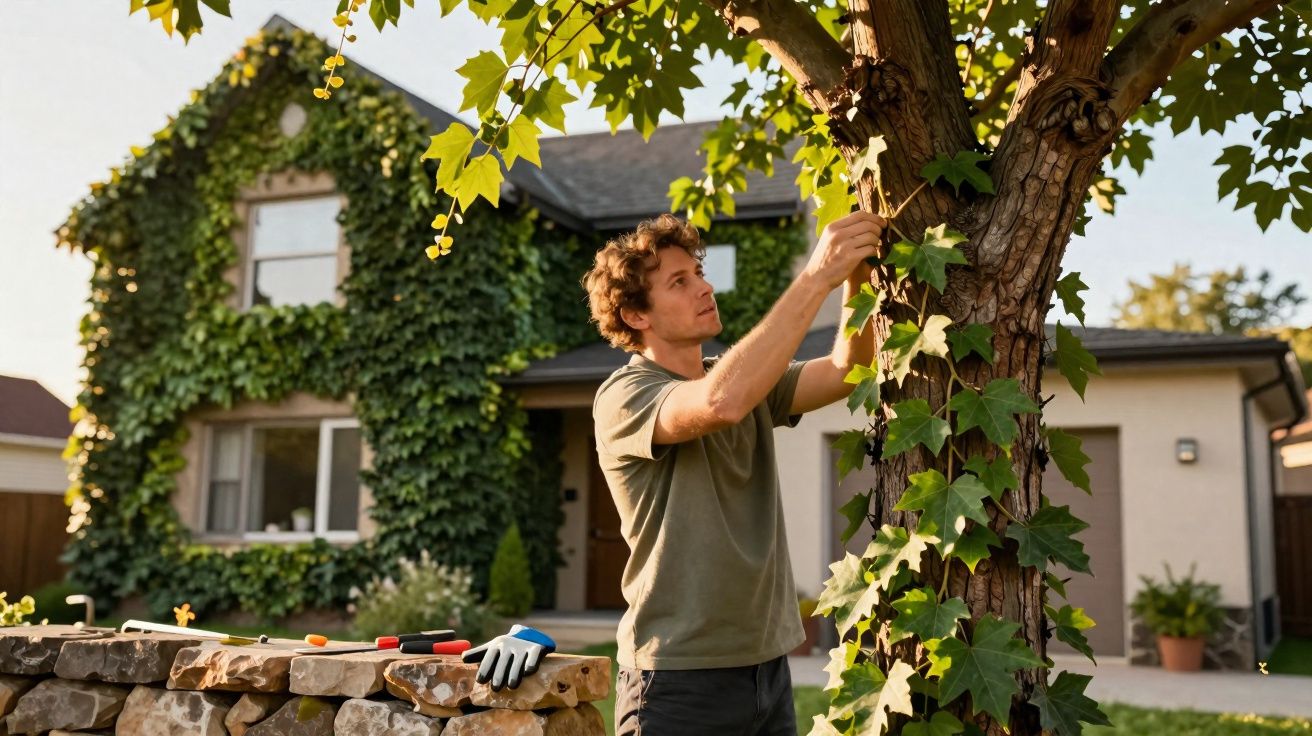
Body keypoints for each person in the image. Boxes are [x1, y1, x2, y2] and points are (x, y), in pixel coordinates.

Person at [583, 210, 886, 734]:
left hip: (767, 667)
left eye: (699, 273)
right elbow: (721, 401)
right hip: (677, 678)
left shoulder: (740, 377)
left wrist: (855, 272)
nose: (704, 287)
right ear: (636, 315)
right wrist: (815, 277)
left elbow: (847, 371)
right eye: (680, 282)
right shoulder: (624, 396)